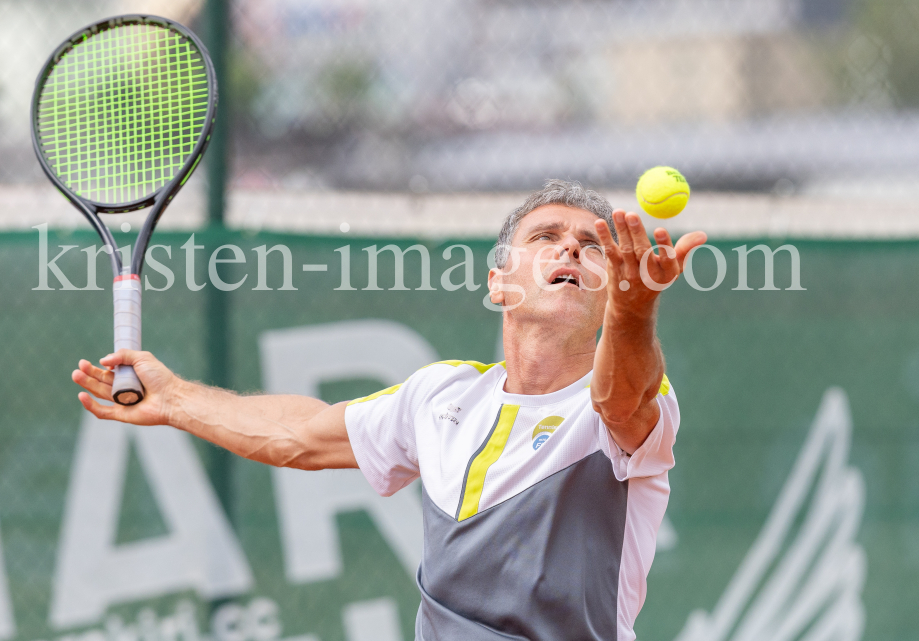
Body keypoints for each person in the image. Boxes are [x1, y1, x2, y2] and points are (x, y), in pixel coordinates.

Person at [72, 179, 707, 641]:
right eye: (546, 237)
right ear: (498, 282)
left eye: (591, 246)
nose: (570, 250)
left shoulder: (617, 412)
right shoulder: (442, 397)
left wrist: (635, 311)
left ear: (607, 290)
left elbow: (625, 395)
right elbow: (303, 436)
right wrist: (175, 397)